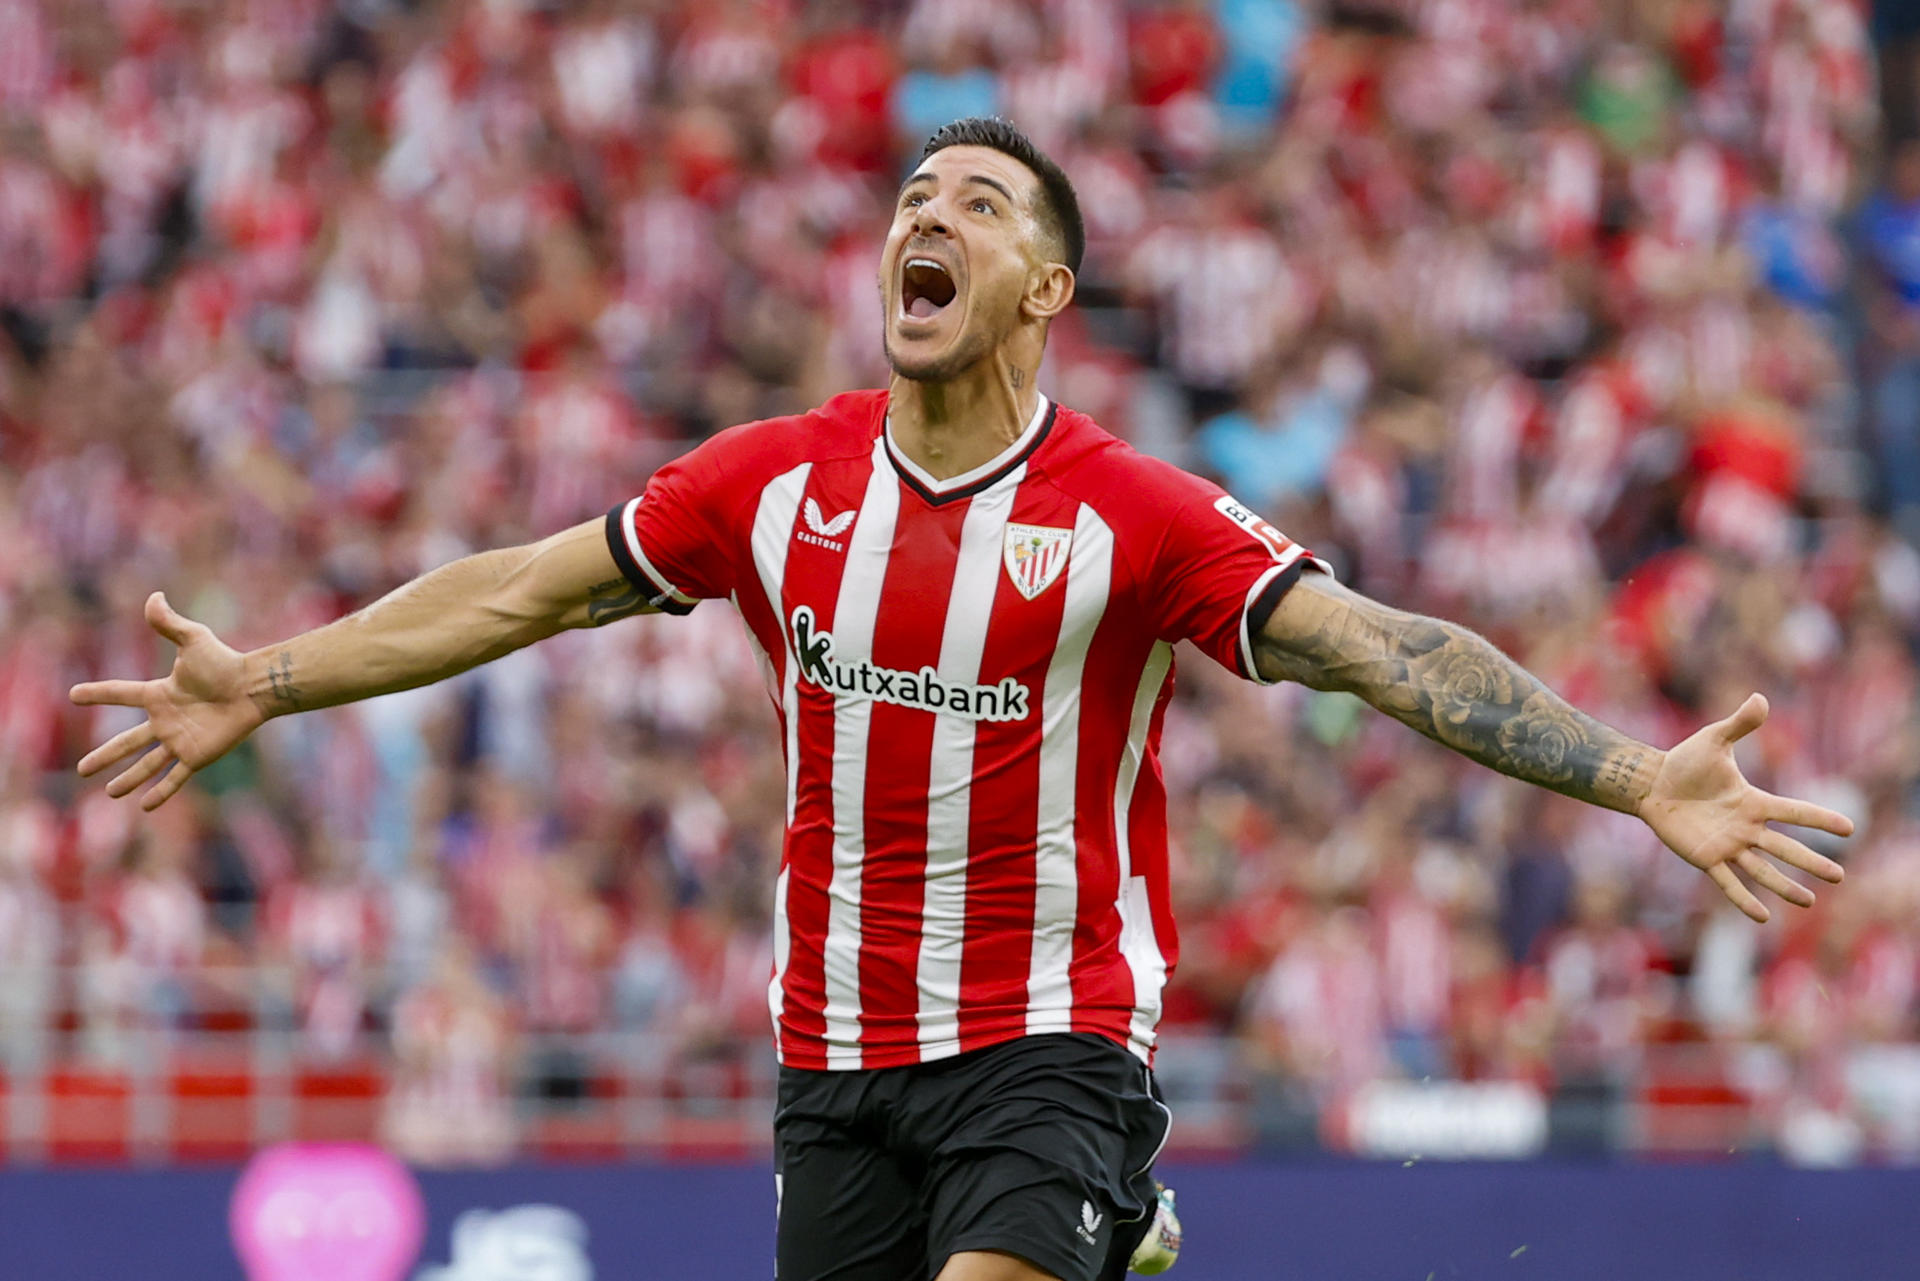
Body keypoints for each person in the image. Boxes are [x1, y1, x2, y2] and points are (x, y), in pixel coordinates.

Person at [72, 118, 1852, 1281]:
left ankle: (1096, 1204)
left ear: (1043, 289)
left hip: (1050, 1039)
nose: (928, 218)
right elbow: (519, 590)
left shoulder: (1130, 515)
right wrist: (272, 678)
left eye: (977, 205)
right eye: (914, 199)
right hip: (833, 1062)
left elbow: (1393, 650)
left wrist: (1637, 780)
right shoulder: (771, 484)